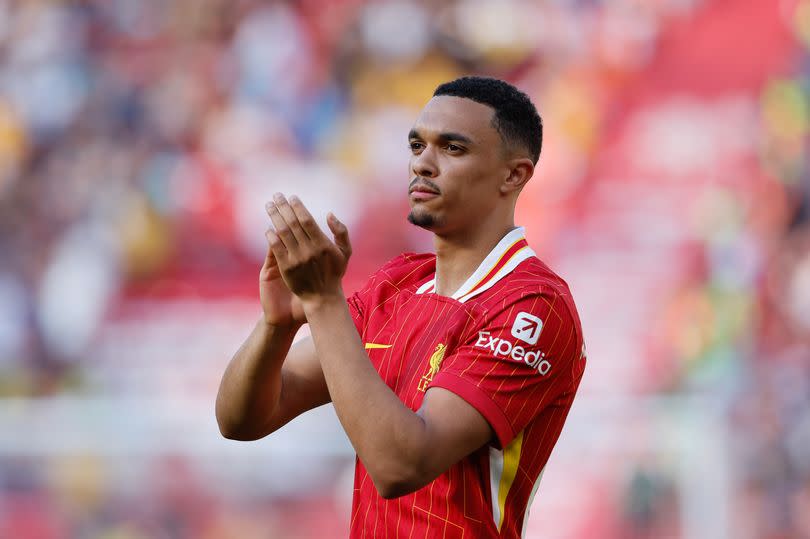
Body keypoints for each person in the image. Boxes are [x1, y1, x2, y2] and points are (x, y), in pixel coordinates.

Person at [215, 76, 586, 538]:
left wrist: (325, 303)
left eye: (452, 148)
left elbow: (401, 465)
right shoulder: (397, 284)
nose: (422, 164)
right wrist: (275, 327)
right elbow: (240, 420)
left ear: (513, 175)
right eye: (416, 145)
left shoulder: (534, 305)